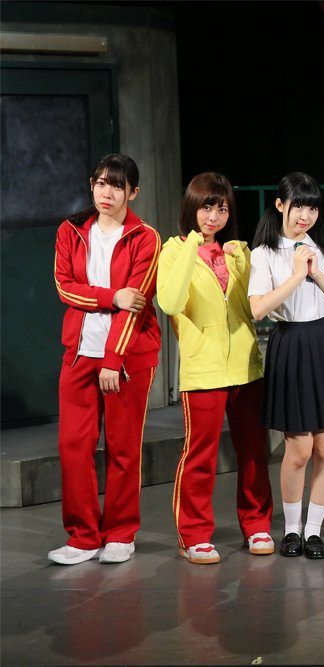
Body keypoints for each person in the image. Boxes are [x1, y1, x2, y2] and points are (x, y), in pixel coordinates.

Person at [49, 153, 161, 565]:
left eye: (116, 185)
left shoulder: (145, 237)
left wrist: (113, 359)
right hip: (79, 354)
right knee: (73, 446)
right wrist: (110, 296)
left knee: (123, 448)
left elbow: (138, 303)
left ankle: (120, 533)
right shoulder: (71, 230)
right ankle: (82, 537)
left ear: (133, 192)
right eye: (100, 183)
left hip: (128, 358)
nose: (106, 192)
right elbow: (65, 287)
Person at [157, 172, 274, 564]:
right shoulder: (173, 251)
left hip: (246, 367)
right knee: (200, 456)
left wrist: (240, 260)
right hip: (202, 371)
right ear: (191, 207)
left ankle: (257, 525)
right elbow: (171, 303)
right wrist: (192, 243)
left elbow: (252, 308)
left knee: (254, 452)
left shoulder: (238, 251)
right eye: (206, 207)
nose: (213, 216)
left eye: (221, 208)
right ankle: (193, 535)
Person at [248, 171, 324, 560]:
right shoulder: (264, 253)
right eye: (299, 207)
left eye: (312, 208)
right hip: (291, 343)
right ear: (281, 205)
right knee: (298, 449)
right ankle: (291, 529)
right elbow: (258, 309)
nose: (306, 216)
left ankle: (313, 531)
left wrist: (315, 274)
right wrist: (297, 275)